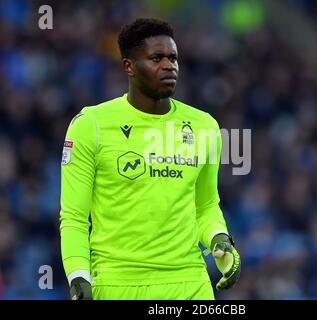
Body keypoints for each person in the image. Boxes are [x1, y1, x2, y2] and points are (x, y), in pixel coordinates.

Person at [60, 18, 241, 300]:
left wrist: (220, 239)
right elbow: (74, 217)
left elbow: (205, 206)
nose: (169, 66)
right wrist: (78, 275)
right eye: (156, 58)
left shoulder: (204, 126)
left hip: (189, 282)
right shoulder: (91, 126)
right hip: (117, 284)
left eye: (173, 58)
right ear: (129, 67)